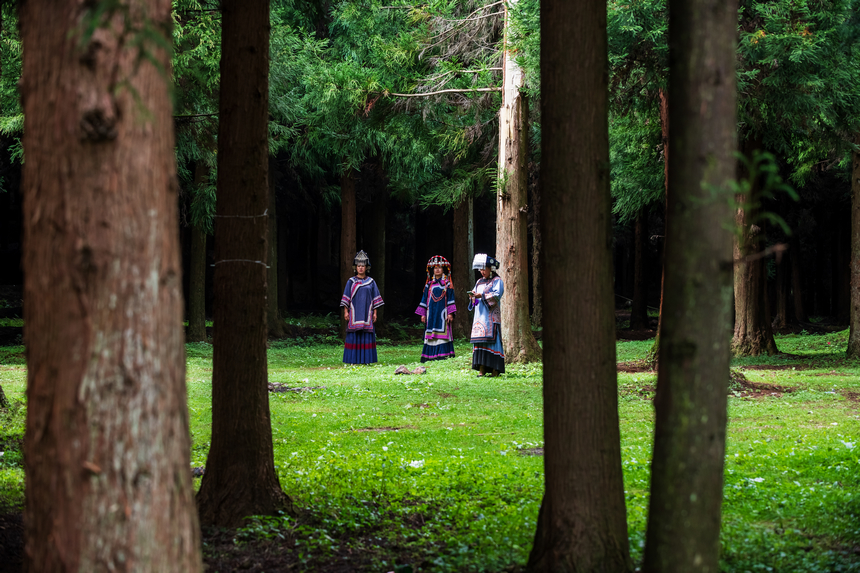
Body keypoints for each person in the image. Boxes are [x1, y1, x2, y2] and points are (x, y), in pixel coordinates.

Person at [340, 250, 384, 364]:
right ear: (356, 267)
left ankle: (367, 359)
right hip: (354, 314)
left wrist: (375, 313)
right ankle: (352, 360)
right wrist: (346, 312)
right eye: (359, 266)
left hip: (367, 314)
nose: (360, 268)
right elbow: (346, 298)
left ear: (366, 267)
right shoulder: (351, 281)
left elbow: (376, 299)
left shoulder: (371, 282)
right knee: (354, 334)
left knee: (366, 333)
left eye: (363, 266)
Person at [415, 255, 457, 362]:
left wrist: (450, 313)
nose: (437, 269)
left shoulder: (448, 284)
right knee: (430, 332)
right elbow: (424, 299)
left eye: (439, 267)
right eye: (435, 267)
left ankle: (443, 355)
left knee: (443, 332)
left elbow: (451, 298)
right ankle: (429, 356)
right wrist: (423, 314)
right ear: (432, 270)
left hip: (443, 313)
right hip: (431, 313)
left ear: (443, 270)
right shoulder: (429, 285)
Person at [468, 254, 505, 377]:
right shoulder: (479, 282)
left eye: (484, 268)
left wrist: (481, 296)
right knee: (480, 342)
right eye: (480, 269)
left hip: (491, 317)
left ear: (491, 268)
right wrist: (473, 296)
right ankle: (481, 369)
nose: (482, 271)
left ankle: (495, 370)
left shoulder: (497, 281)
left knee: (493, 341)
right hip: (479, 318)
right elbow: (475, 299)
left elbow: (496, 295)